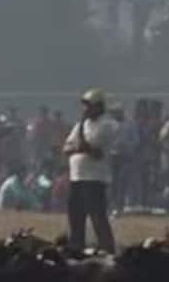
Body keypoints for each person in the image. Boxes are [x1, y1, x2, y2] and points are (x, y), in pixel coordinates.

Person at [63, 90, 118, 254]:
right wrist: (77, 146)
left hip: (94, 177)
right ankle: (76, 246)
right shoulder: (81, 125)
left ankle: (107, 248)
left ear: (99, 107)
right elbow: (67, 147)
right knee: (75, 215)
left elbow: (93, 150)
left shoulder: (106, 125)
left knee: (97, 216)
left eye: (89, 106)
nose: (85, 109)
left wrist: (79, 145)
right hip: (76, 176)